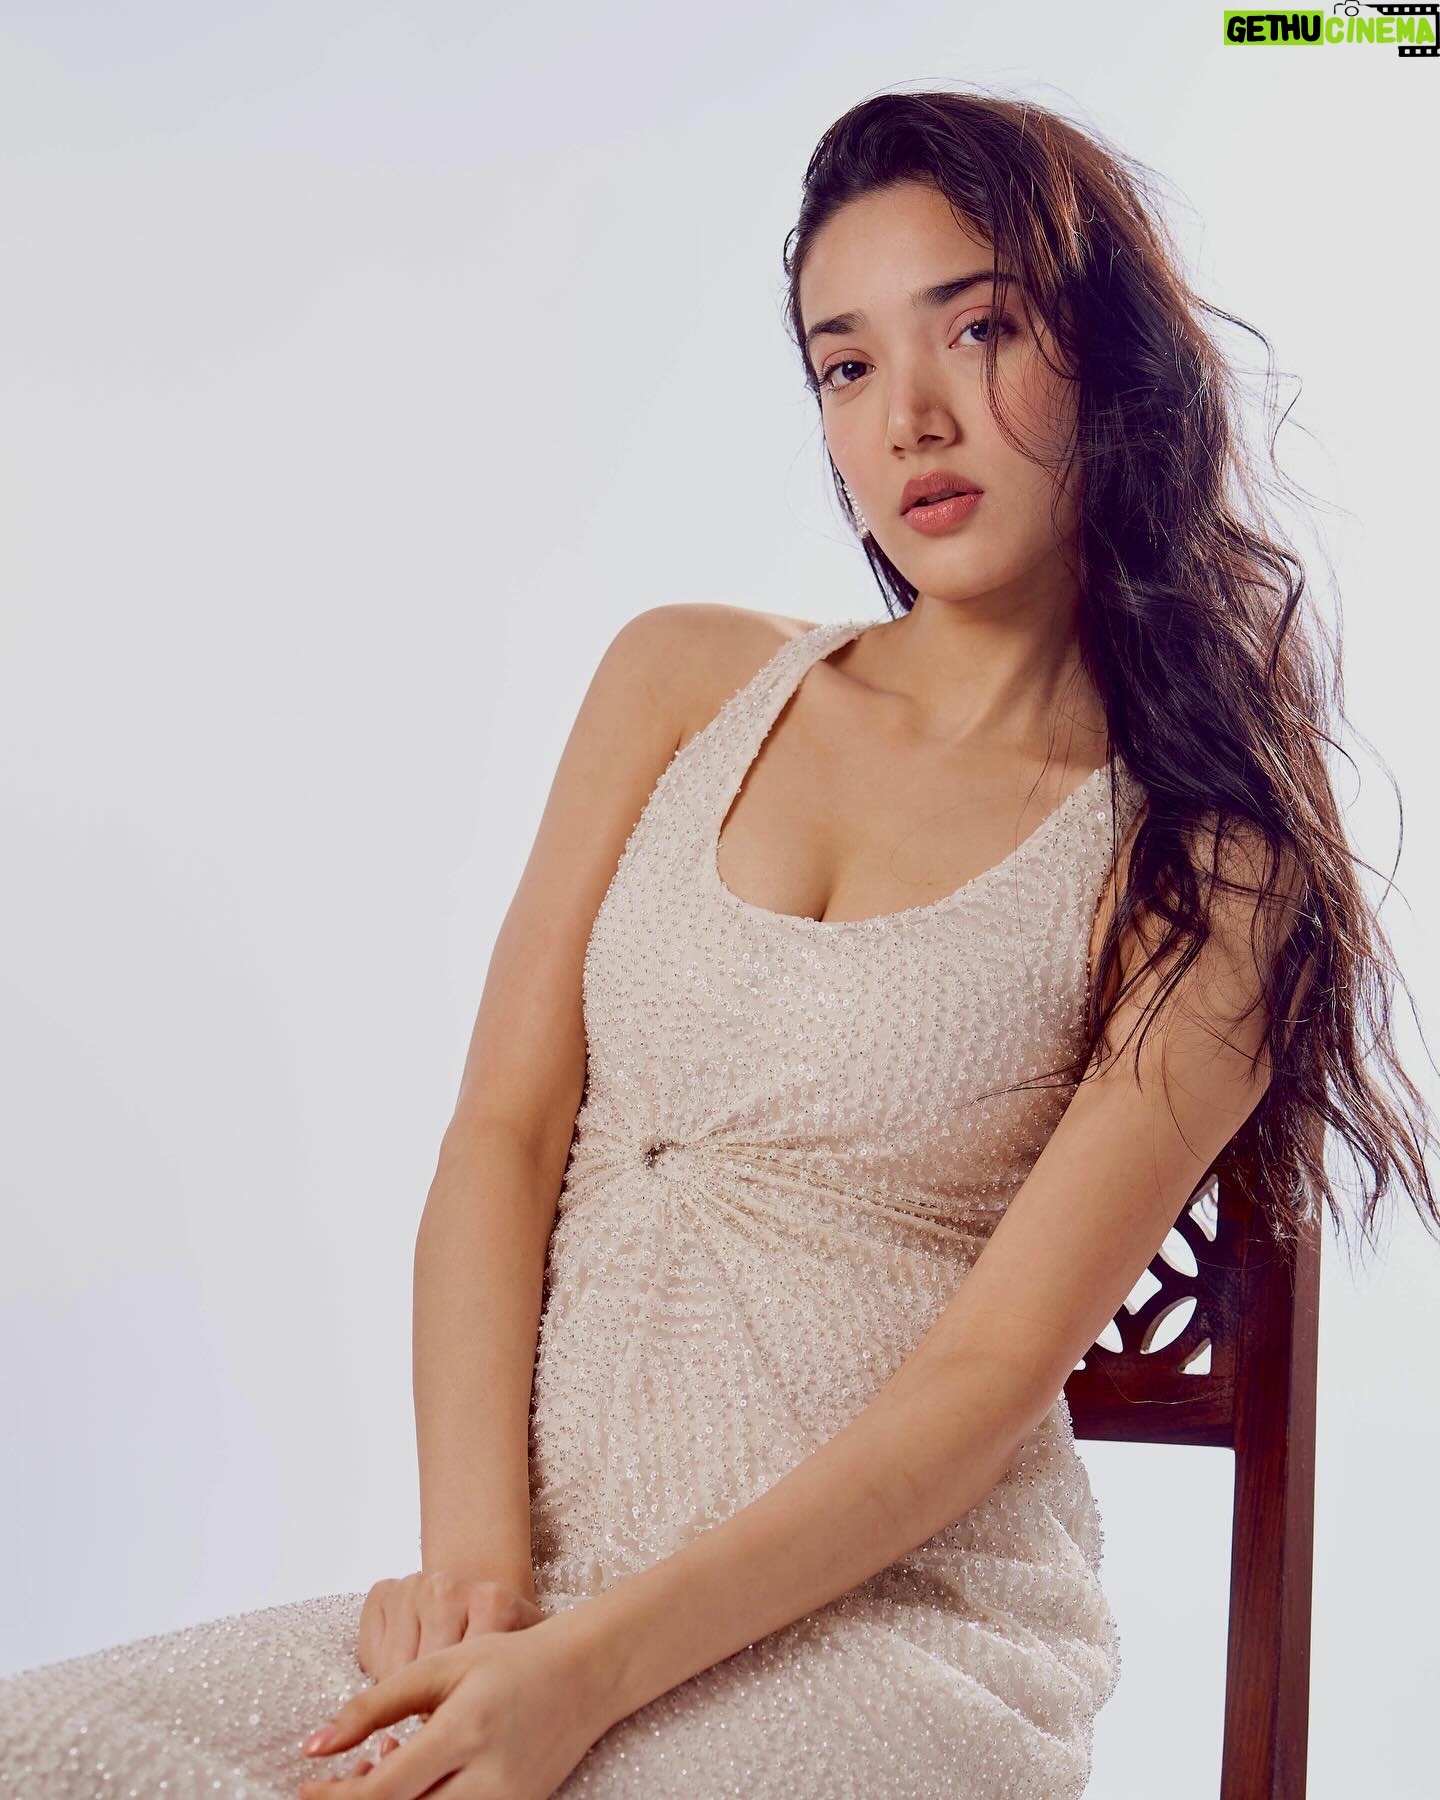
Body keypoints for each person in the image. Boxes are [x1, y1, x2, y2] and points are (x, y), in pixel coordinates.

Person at [3, 86, 1437, 1800]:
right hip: (544, 1587)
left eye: (978, 329)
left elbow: (991, 1374)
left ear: (1110, 358)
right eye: (846, 365)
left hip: (896, 1638)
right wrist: (479, 1588)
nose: (910, 417)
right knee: (44, 1753)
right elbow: (502, 1132)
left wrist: (582, 1679)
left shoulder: (1208, 865)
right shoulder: (681, 680)